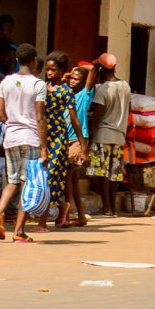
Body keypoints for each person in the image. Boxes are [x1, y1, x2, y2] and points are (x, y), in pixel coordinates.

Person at [0, 43, 47, 243]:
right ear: (33, 61)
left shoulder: (6, 82)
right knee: (27, 185)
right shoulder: (38, 85)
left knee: (12, 181)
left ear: (17, 60)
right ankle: (19, 231)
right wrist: (44, 147)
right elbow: (40, 117)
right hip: (30, 138)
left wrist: (14, 121)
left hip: (11, 137)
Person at [37, 51, 86, 231]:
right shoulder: (41, 87)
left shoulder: (66, 91)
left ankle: (43, 222)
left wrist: (82, 145)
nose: (49, 73)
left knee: (50, 177)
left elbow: (74, 120)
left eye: (53, 70)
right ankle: (63, 206)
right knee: (45, 177)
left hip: (58, 136)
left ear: (61, 70)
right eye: (47, 70)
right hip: (42, 135)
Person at [87, 53, 131, 216]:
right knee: (114, 174)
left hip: (103, 135)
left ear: (100, 69)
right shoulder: (125, 86)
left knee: (102, 174)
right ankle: (113, 208)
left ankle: (106, 208)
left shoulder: (102, 90)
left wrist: (88, 139)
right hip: (119, 136)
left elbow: (96, 117)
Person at [63, 64, 95, 227]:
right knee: (73, 179)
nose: (72, 81)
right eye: (71, 78)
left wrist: (92, 66)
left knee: (68, 176)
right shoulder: (66, 94)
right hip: (64, 139)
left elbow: (91, 76)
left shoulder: (84, 95)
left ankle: (66, 214)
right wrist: (65, 78)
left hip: (77, 139)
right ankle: (81, 215)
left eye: (76, 79)